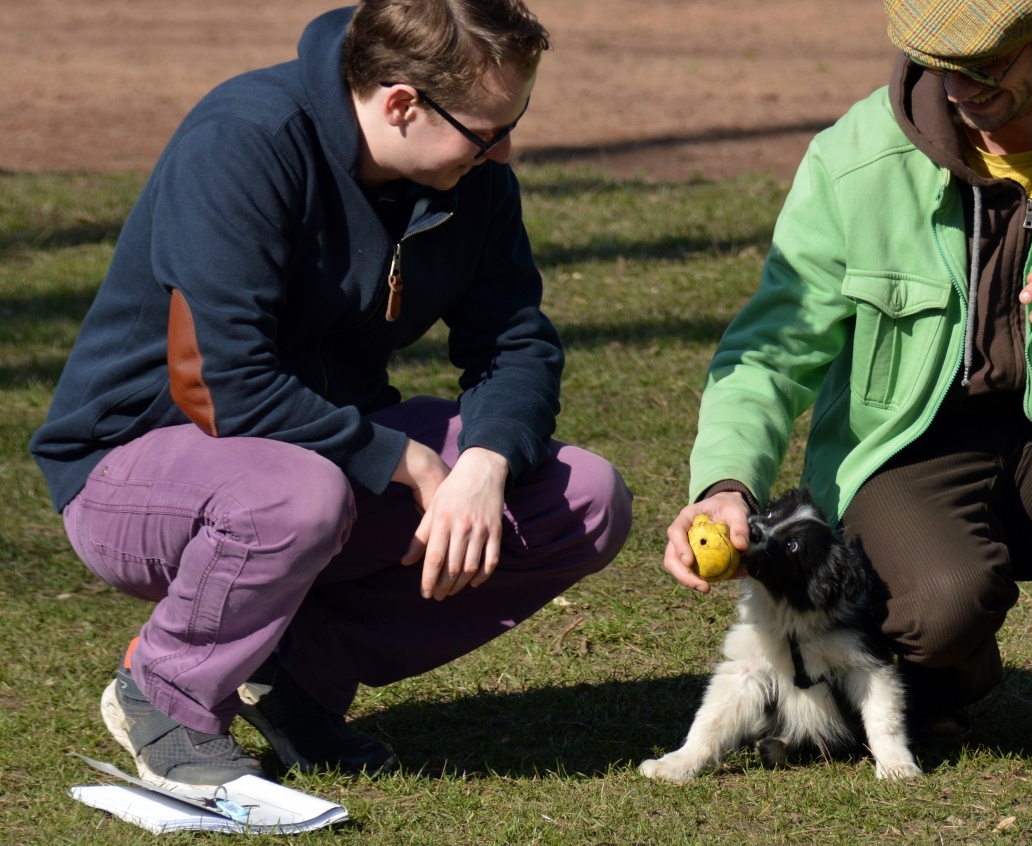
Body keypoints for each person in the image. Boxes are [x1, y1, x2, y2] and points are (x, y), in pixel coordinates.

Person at [29, 0, 632, 790]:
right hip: (134, 464)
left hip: (319, 461)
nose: (506, 151)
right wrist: (405, 461)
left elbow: (514, 342)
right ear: (401, 103)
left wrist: (483, 464)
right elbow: (226, 384)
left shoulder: (470, 177)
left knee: (585, 498)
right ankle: (166, 694)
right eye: (488, 131)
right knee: (297, 495)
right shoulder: (243, 139)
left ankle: (294, 675)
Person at [661, 0, 1032, 774]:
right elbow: (766, 352)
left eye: (985, 64)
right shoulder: (854, 156)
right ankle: (945, 667)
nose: (955, 87)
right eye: (937, 61)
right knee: (942, 604)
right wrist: (724, 484)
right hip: (911, 453)